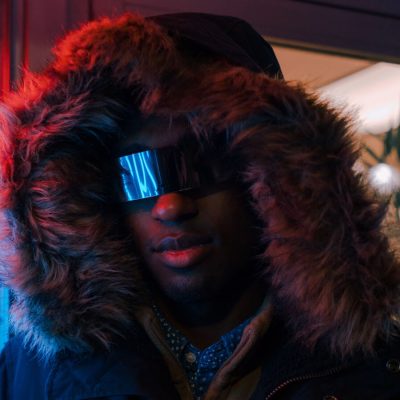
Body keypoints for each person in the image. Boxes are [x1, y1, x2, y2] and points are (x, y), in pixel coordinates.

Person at [0, 12, 399, 400]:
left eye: (203, 164)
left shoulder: (377, 370)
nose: (171, 206)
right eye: (138, 174)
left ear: (272, 179)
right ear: (95, 195)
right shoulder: (33, 371)